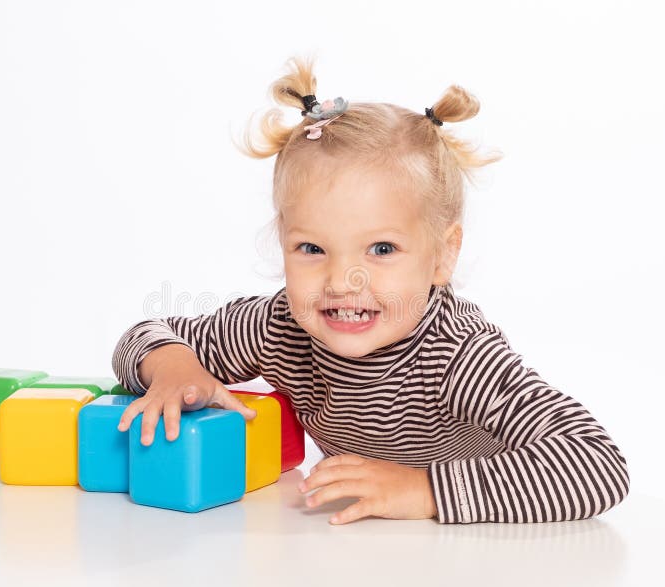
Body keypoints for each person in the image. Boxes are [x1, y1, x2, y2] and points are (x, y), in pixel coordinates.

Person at [110, 55, 630, 525]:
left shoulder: (458, 355)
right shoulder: (281, 326)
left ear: (443, 256)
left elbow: (596, 464)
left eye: (381, 250)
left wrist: (424, 489)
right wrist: (175, 369)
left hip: (479, 551)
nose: (341, 282)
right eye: (312, 249)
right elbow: (147, 334)